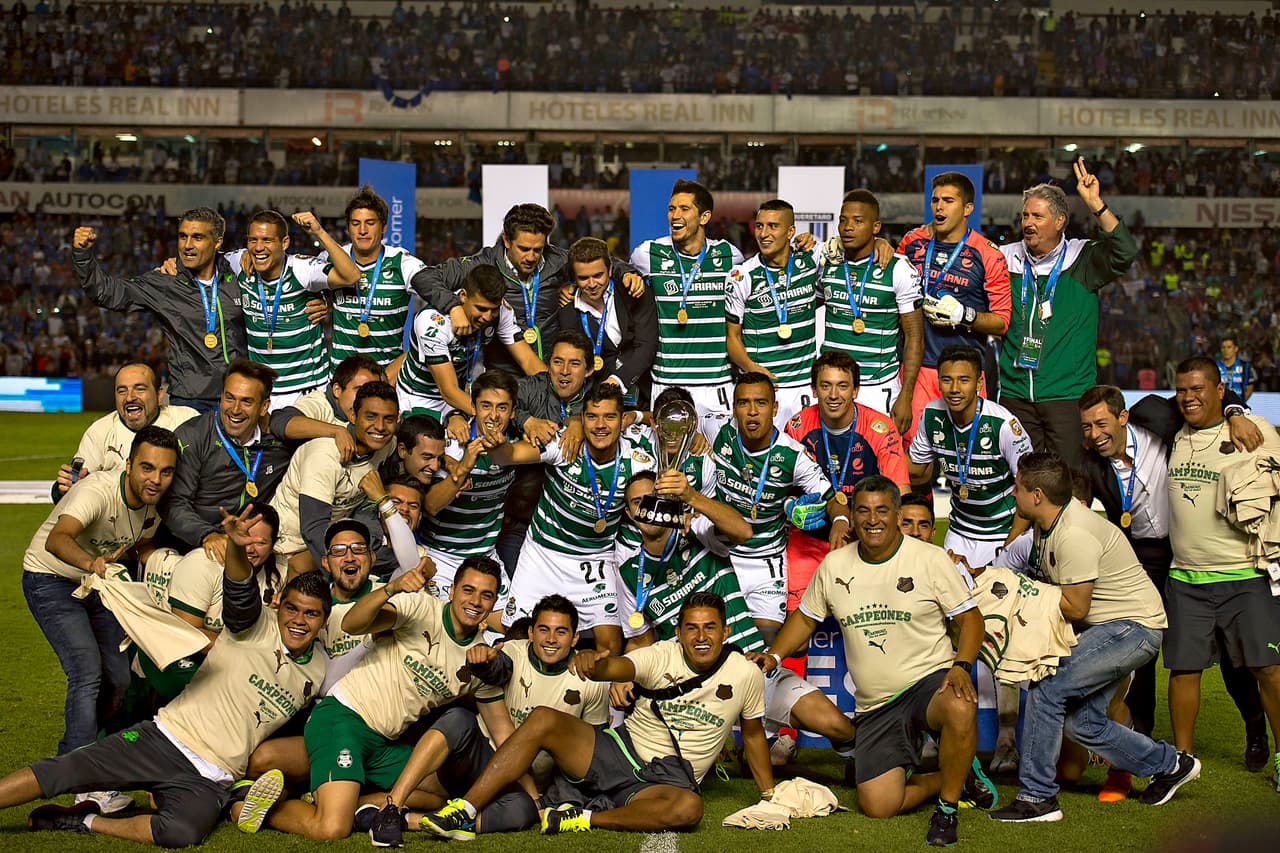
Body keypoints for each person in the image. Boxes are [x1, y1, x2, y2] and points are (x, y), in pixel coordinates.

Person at [3, 505, 329, 847]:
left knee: (182, 833)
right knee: (62, 772)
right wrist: (235, 546)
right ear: (280, 606)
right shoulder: (255, 623)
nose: (298, 620)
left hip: (210, 777)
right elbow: (239, 586)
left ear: (322, 621)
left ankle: (83, 820)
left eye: (311, 614)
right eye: (292, 608)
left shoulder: (318, 668)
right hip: (163, 740)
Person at [753, 476, 995, 847]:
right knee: (879, 805)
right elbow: (805, 617)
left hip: (928, 683)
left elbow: (970, 619)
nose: (872, 519)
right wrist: (774, 655)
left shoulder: (930, 559)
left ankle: (947, 809)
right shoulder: (835, 566)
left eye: (882, 510)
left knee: (960, 704)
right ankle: (951, 777)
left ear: (897, 516)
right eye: (863, 511)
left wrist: (961, 666)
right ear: (851, 517)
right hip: (877, 704)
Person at [420, 591, 774, 839]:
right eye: (691, 628)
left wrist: (768, 795)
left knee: (688, 809)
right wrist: (597, 664)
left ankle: (582, 818)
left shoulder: (746, 674)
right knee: (543, 717)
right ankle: (464, 809)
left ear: (725, 632)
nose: (701, 636)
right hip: (620, 752)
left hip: (667, 782)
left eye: (710, 627)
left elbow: (754, 734)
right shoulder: (661, 654)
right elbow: (620, 666)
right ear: (678, 633)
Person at [989, 453, 1200, 822]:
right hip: (1117, 626)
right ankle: (1170, 765)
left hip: (1132, 628)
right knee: (1081, 723)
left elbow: (1076, 607)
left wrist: (1024, 593)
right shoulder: (1046, 523)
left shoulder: (1073, 534)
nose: (1013, 492)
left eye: (1018, 487)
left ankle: (1038, 797)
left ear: (1037, 495)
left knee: (1047, 687)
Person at [1077, 383, 1267, 766]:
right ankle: (1140, 736)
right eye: (1086, 427)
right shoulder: (1089, 462)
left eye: (1101, 423)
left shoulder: (1155, 413)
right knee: (1139, 645)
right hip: (1140, 559)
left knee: (1230, 651)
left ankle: (1255, 728)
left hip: (1188, 549)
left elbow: (1204, 395)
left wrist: (1235, 413)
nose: (1095, 435)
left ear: (1123, 416)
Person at [254, 557, 504, 841]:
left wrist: (534, 798)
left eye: (486, 595)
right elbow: (351, 623)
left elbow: (503, 732)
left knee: (439, 795)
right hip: (346, 717)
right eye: (468, 590)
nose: (475, 601)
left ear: (495, 602)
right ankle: (266, 809)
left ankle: (331, 800)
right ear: (452, 590)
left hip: (384, 743)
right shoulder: (421, 607)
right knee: (332, 828)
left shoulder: (484, 660)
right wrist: (392, 588)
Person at [618, 472, 856, 767]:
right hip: (696, 690)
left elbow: (743, 531)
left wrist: (691, 497)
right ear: (628, 513)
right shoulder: (629, 573)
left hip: (751, 668)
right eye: (638, 503)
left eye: (654, 500)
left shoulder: (699, 532)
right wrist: (625, 673)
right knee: (671, 773)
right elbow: (639, 639)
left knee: (837, 725)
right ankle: (736, 744)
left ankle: (860, 759)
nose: (648, 509)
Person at [21, 425, 180, 815]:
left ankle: (72, 756)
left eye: (165, 471)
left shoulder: (155, 504)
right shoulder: (98, 490)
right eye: (146, 468)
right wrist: (93, 563)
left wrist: (151, 557)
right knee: (86, 671)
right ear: (128, 465)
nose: (155, 479)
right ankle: (83, 781)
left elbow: (138, 540)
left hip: (97, 587)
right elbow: (56, 539)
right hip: (50, 578)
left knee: (121, 677)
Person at [364, 595, 610, 846]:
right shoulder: (514, 652)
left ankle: (408, 820)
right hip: (478, 759)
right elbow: (498, 667)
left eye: (561, 632)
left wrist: (558, 797)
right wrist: (482, 662)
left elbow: (590, 749)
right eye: (543, 630)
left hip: (518, 785)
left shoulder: (589, 679)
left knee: (522, 813)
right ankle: (392, 808)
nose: (550, 639)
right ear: (530, 633)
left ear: (575, 637)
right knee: (458, 718)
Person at [1164, 356, 1280, 781]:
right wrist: (1231, 409)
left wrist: (1235, 413)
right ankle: (1180, 761)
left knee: (1268, 669)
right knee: (1184, 669)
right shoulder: (1171, 430)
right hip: (1186, 578)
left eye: (1198, 389)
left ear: (1219, 390)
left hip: (1245, 575)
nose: (1188, 397)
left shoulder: (1256, 433)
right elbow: (1140, 410)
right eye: (1181, 389)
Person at [491, 383, 656, 654]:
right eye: (591, 417)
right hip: (544, 554)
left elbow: (660, 421)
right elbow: (512, 454)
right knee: (518, 640)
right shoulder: (566, 444)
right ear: (582, 418)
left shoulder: (640, 461)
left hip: (595, 559)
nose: (600, 425)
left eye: (609, 417)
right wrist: (497, 449)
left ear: (621, 420)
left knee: (610, 645)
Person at [996, 159, 1138, 470]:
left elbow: (1126, 252)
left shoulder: (1082, 258)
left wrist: (1096, 204)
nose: (1028, 222)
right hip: (1016, 396)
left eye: (1038, 216)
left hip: (1068, 397)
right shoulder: (1004, 258)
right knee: (1020, 482)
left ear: (1060, 221)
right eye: (1025, 215)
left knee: (1072, 483)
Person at [73, 208, 246, 412]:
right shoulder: (164, 282)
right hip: (190, 401)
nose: (188, 245)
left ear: (217, 242)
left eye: (197, 237)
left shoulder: (238, 275)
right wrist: (83, 255)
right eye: (183, 237)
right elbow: (106, 294)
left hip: (239, 395)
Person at [710, 372, 840, 640]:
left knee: (764, 641)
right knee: (715, 637)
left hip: (766, 562)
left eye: (761, 402)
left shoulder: (793, 455)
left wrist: (840, 522)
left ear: (775, 407)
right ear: (733, 408)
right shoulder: (718, 432)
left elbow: (832, 499)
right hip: (721, 555)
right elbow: (669, 417)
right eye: (744, 403)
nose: (752, 412)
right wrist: (637, 416)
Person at [784, 350, 909, 611]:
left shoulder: (880, 428)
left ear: (855, 390)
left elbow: (901, 495)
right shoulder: (796, 426)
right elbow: (783, 490)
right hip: (810, 538)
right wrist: (790, 507)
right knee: (798, 619)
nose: (833, 395)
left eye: (842, 386)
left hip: (865, 538)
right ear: (814, 389)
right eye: (825, 385)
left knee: (867, 615)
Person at [896, 171, 1011, 439]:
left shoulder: (989, 254)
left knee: (969, 456)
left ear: (968, 208)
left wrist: (964, 315)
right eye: (935, 200)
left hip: (965, 371)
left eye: (948, 200)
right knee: (913, 457)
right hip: (916, 369)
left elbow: (1003, 322)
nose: (939, 206)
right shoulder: (912, 243)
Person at [161, 361, 313, 556]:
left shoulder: (278, 442)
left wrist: (337, 432)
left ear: (264, 406)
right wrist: (207, 535)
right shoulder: (193, 436)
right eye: (229, 398)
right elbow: (173, 503)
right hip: (197, 545)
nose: (235, 409)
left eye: (246, 401)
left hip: (251, 547)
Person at [908, 345, 1035, 568]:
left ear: (979, 383)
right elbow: (916, 471)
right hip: (958, 532)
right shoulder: (931, 414)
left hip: (1002, 533)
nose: (955, 388)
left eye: (964, 380)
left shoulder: (1003, 425)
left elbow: (1031, 491)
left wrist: (1009, 549)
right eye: (947, 380)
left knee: (997, 602)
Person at [630, 179, 746, 417]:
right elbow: (620, 276)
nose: (675, 215)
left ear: (704, 217)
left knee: (719, 454)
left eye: (684, 209)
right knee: (669, 455)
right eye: (671, 209)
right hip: (667, 384)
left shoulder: (729, 256)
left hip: (717, 386)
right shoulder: (647, 254)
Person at [224, 209, 360, 409]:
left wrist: (319, 232)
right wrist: (171, 265)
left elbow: (351, 276)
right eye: (253, 240)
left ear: (284, 243)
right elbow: (203, 260)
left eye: (267, 240)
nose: (259, 247)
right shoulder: (238, 263)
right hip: (264, 390)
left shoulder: (301, 269)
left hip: (308, 391)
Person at [412, 203, 573, 368]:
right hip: (504, 377)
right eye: (524, 249)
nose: (531, 257)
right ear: (506, 240)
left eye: (538, 250)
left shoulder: (559, 261)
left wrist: (575, 288)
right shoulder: (483, 264)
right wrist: (453, 307)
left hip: (550, 371)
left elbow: (595, 271)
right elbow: (423, 277)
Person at [817, 189, 923, 430]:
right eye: (843, 220)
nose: (847, 227)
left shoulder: (898, 270)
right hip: (832, 385)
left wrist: (906, 396)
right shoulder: (826, 265)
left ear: (876, 227)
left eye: (857, 221)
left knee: (879, 464)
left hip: (878, 387)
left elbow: (915, 336)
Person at [271, 380, 399, 578]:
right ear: (353, 416)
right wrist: (345, 579)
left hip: (337, 542)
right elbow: (313, 529)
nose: (380, 427)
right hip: (288, 547)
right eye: (371, 417)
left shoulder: (387, 446)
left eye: (388, 419)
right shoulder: (324, 454)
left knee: (406, 559)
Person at [396, 263, 545, 420]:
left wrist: (552, 394)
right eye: (481, 308)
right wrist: (500, 417)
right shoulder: (432, 322)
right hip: (419, 397)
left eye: (493, 309)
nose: (487, 317)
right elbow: (448, 391)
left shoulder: (502, 310)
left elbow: (528, 360)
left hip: (460, 395)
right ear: (463, 296)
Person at [421, 370, 517, 608]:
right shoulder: (451, 444)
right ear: (473, 407)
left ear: (513, 412)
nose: (493, 415)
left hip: (486, 557)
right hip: (442, 556)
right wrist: (463, 468)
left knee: (508, 630)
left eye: (502, 408)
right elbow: (430, 506)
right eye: (486, 406)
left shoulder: (517, 443)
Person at [726, 199, 823, 428]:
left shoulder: (811, 261)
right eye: (759, 226)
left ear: (791, 231)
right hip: (764, 390)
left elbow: (852, 243)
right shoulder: (741, 275)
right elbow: (732, 338)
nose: (764, 233)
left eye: (773, 226)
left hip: (805, 388)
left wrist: (881, 244)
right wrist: (752, 369)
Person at [320, 185, 429, 370]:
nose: (362, 230)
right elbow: (296, 278)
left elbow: (436, 290)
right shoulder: (330, 258)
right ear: (348, 228)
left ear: (384, 226)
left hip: (385, 381)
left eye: (370, 223)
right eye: (355, 223)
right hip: (340, 381)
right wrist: (318, 299)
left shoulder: (402, 263)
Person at [53, 362, 196, 499]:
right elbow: (70, 487)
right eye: (122, 391)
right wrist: (62, 489)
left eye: (140, 389)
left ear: (159, 395)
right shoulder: (99, 432)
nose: (129, 397)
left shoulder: (187, 420)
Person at [556, 236, 657, 409]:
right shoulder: (567, 313)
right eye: (584, 278)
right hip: (598, 403)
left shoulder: (634, 292)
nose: (592, 284)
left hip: (645, 396)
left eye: (598, 275)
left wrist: (617, 381)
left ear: (610, 270)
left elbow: (647, 345)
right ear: (574, 277)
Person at [277, 354, 384, 427]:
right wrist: (336, 432)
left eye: (373, 392)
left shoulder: (379, 415)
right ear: (337, 390)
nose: (366, 397)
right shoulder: (319, 403)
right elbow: (282, 421)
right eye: (359, 390)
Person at [1217, 336, 1256, 401]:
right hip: (1219, 405)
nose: (1226, 350)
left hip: (1238, 405)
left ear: (1236, 348)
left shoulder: (1245, 366)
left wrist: (1240, 403)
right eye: (1223, 347)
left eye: (1229, 347)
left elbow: (1249, 388)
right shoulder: (1215, 366)